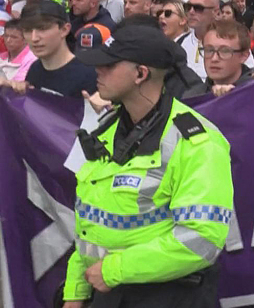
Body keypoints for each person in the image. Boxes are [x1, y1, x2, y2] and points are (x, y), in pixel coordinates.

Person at [60, 24, 233, 307]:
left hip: (169, 296)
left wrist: (113, 271)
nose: (98, 71)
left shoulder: (198, 142)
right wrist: (75, 292)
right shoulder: (105, 133)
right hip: (108, 291)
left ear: (140, 74)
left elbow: (201, 240)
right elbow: (91, 225)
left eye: (108, 65)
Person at [0, 0, 97, 97]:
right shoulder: (35, 69)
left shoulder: (88, 74)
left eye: (42, 29)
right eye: (28, 30)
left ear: (64, 30)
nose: (34, 38)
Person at [183, 20, 254, 98]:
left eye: (224, 51)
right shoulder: (192, 98)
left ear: (244, 56)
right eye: (209, 50)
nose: (214, 58)